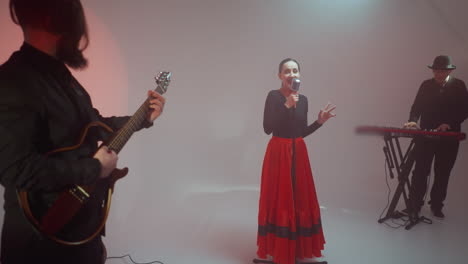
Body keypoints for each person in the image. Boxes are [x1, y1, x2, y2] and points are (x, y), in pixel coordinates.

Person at [0, 1, 166, 263]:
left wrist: (143, 117)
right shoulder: (12, 82)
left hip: (83, 231)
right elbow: (14, 168)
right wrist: (93, 169)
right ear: (50, 18)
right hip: (42, 244)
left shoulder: (60, 76)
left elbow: (92, 123)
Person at [256, 58, 336, 264]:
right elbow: (268, 128)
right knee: (280, 198)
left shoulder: (304, 99)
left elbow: (300, 132)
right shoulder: (273, 96)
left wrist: (319, 122)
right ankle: (279, 248)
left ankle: (296, 247)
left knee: (299, 197)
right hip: (278, 152)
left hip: (298, 151)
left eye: (295, 71)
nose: (291, 74)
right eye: (287, 71)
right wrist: (286, 105)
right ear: (280, 76)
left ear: (299, 74)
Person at [404, 55, 468, 218]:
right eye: (436, 71)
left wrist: (449, 123)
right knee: (420, 170)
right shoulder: (426, 85)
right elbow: (416, 106)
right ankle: (414, 204)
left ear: (450, 70)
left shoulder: (459, 86)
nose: (439, 74)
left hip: (449, 137)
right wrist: (412, 121)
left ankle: (437, 205)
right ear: (433, 70)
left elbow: (464, 110)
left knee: (442, 172)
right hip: (426, 134)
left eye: (442, 71)